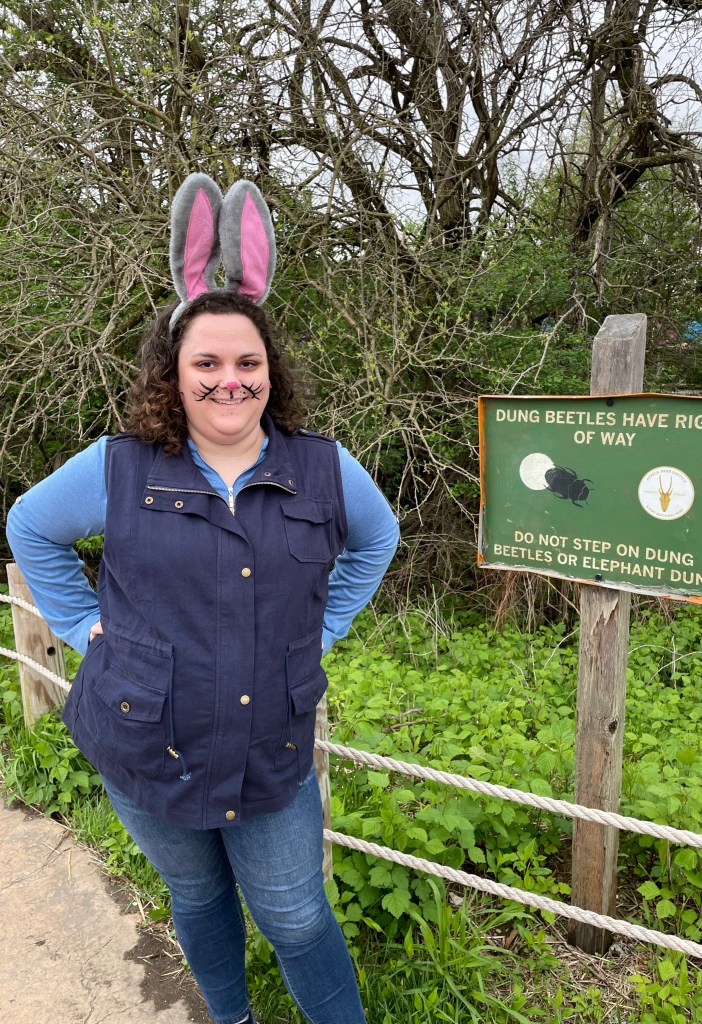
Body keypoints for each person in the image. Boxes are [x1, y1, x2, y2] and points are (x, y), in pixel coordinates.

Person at [6, 174, 399, 1024]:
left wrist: (326, 626)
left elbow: (378, 541)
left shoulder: (324, 469)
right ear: (174, 373)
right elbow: (29, 526)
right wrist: (83, 624)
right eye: (207, 363)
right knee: (196, 895)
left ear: (270, 372)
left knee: (296, 916)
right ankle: (231, 1017)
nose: (230, 381)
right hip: (145, 742)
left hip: (269, 747)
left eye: (247, 363)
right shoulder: (117, 467)